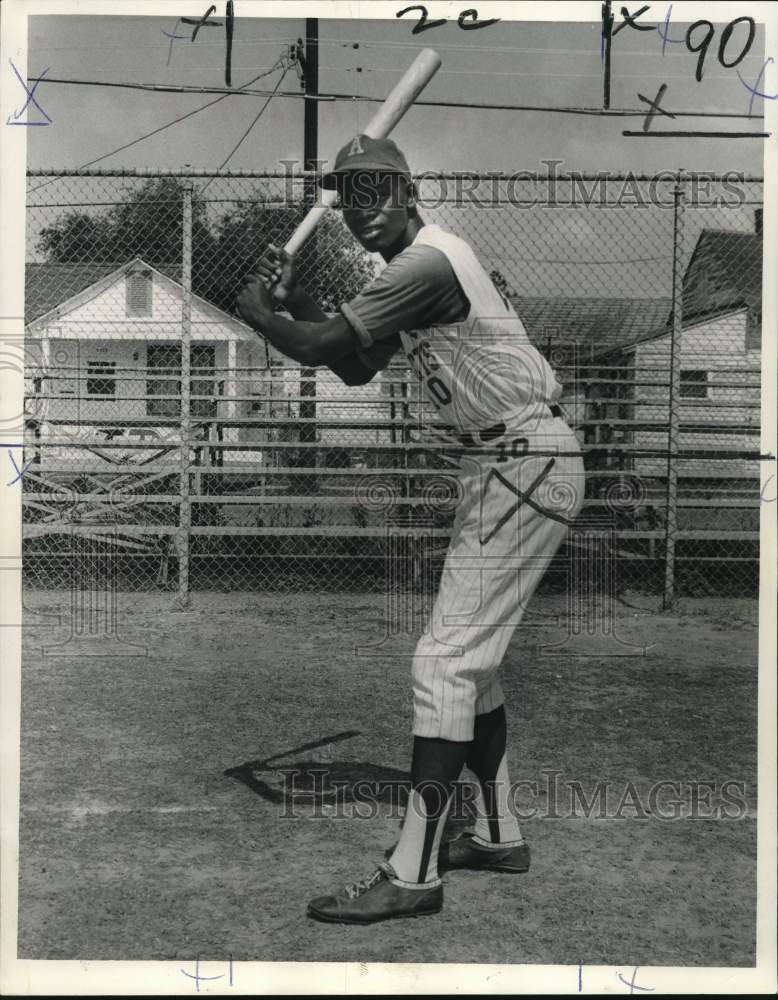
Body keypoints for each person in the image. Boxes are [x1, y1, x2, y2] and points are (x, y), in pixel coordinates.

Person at [236, 135, 584, 925]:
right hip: (502, 462)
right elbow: (355, 364)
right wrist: (291, 305)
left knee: (444, 663)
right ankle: (494, 831)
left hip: (522, 457)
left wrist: (262, 314)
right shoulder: (410, 274)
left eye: (374, 191)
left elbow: (324, 348)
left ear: (406, 190)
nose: (360, 209)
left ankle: (413, 871)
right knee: (473, 667)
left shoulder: (428, 262)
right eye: (348, 194)